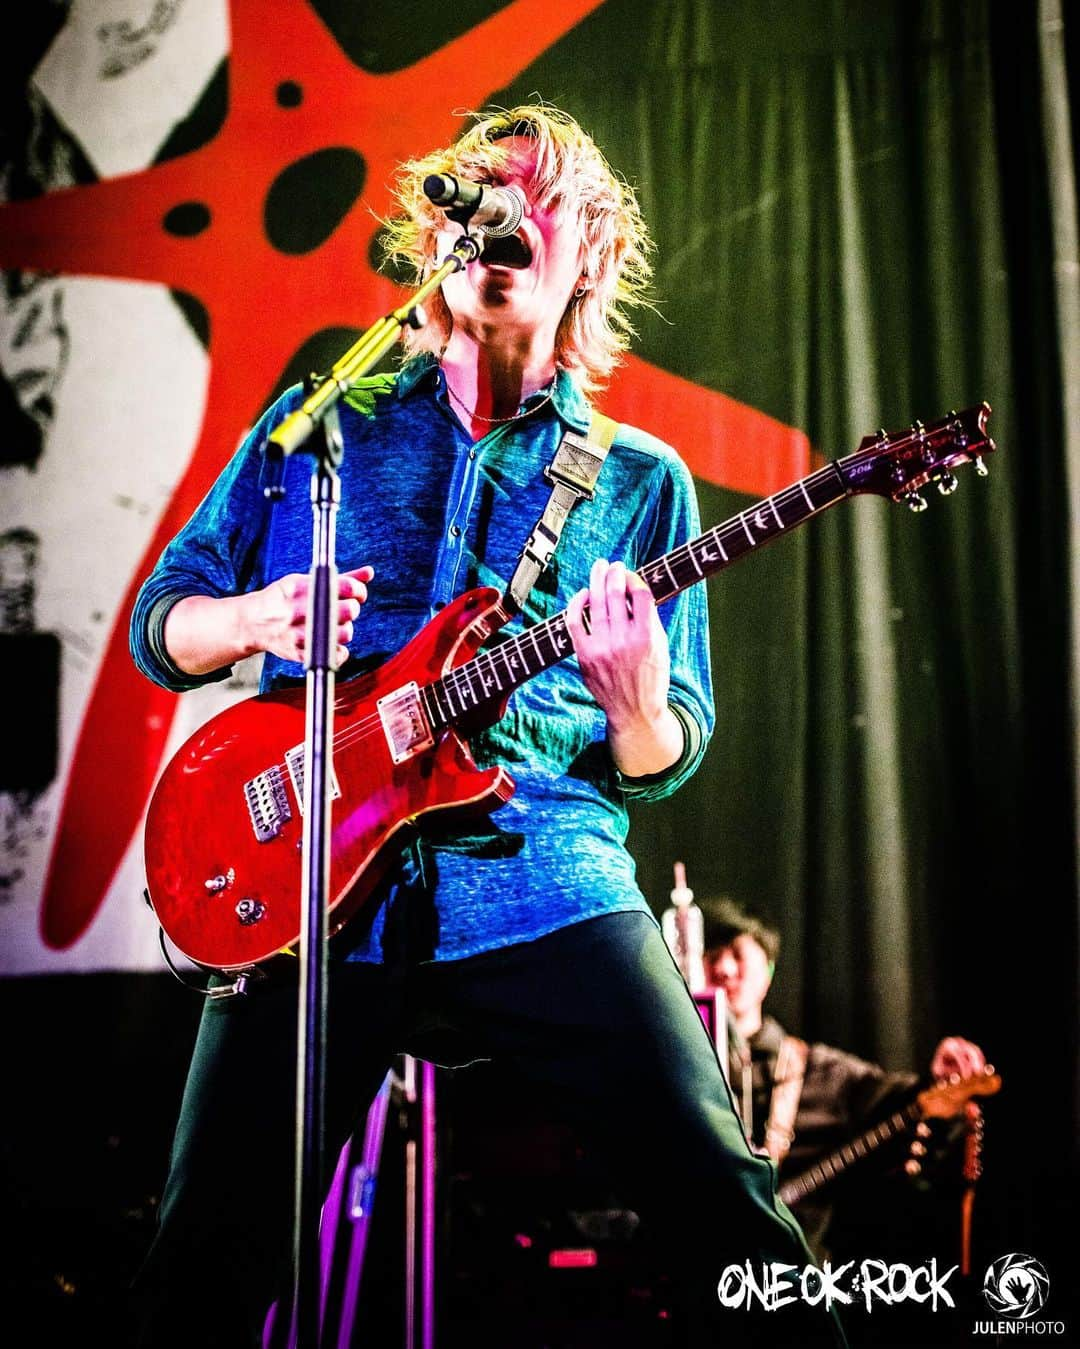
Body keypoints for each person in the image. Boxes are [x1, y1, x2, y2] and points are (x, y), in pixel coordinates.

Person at [128, 104, 843, 1346]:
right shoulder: (322, 426)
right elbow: (161, 619)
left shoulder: (637, 479)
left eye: (532, 194)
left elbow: (668, 749)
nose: (493, 210)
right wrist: (251, 620)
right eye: (473, 190)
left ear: (590, 255)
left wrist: (633, 707)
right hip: (310, 883)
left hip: (542, 873)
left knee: (731, 1217)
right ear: (434, 233)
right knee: (198, 1260)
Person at [700, 898, 988, 1260]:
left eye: (738, 953)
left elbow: (906, 1103)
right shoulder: (680, 1071)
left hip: (792, 1287)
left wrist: (940, 1079)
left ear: (769, 968)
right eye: (711, 955)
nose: (724, 968)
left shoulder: (821, 1072)